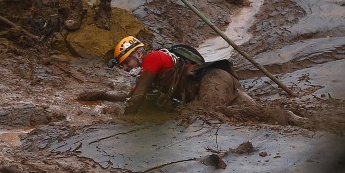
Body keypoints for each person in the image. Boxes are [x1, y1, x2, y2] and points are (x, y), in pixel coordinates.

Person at [107, 36, 255, 115]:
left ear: (139, 54)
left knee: (207, 117)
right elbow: (129, 98)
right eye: (122, 66)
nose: (125, 68)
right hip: (217, 77)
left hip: (210, 80)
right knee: (256, 113)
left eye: (126, 62)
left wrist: (123, 123)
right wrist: (101, 95)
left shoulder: (152, 58)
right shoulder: (148, 74)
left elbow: (137, 97)